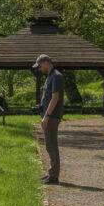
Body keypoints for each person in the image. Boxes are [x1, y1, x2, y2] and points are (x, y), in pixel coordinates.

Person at [33, 54, 63, 184]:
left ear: (46, 63)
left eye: (40, 66)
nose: (39, 69)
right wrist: (41, 107)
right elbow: (48, 97)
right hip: (48, 115)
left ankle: (54, 177)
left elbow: (55, 97)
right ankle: (51, 173)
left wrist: (47, 116)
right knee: (49, 146)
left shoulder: (56, 76)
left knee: (52, 146)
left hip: (51, 117)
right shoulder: (50, 76)